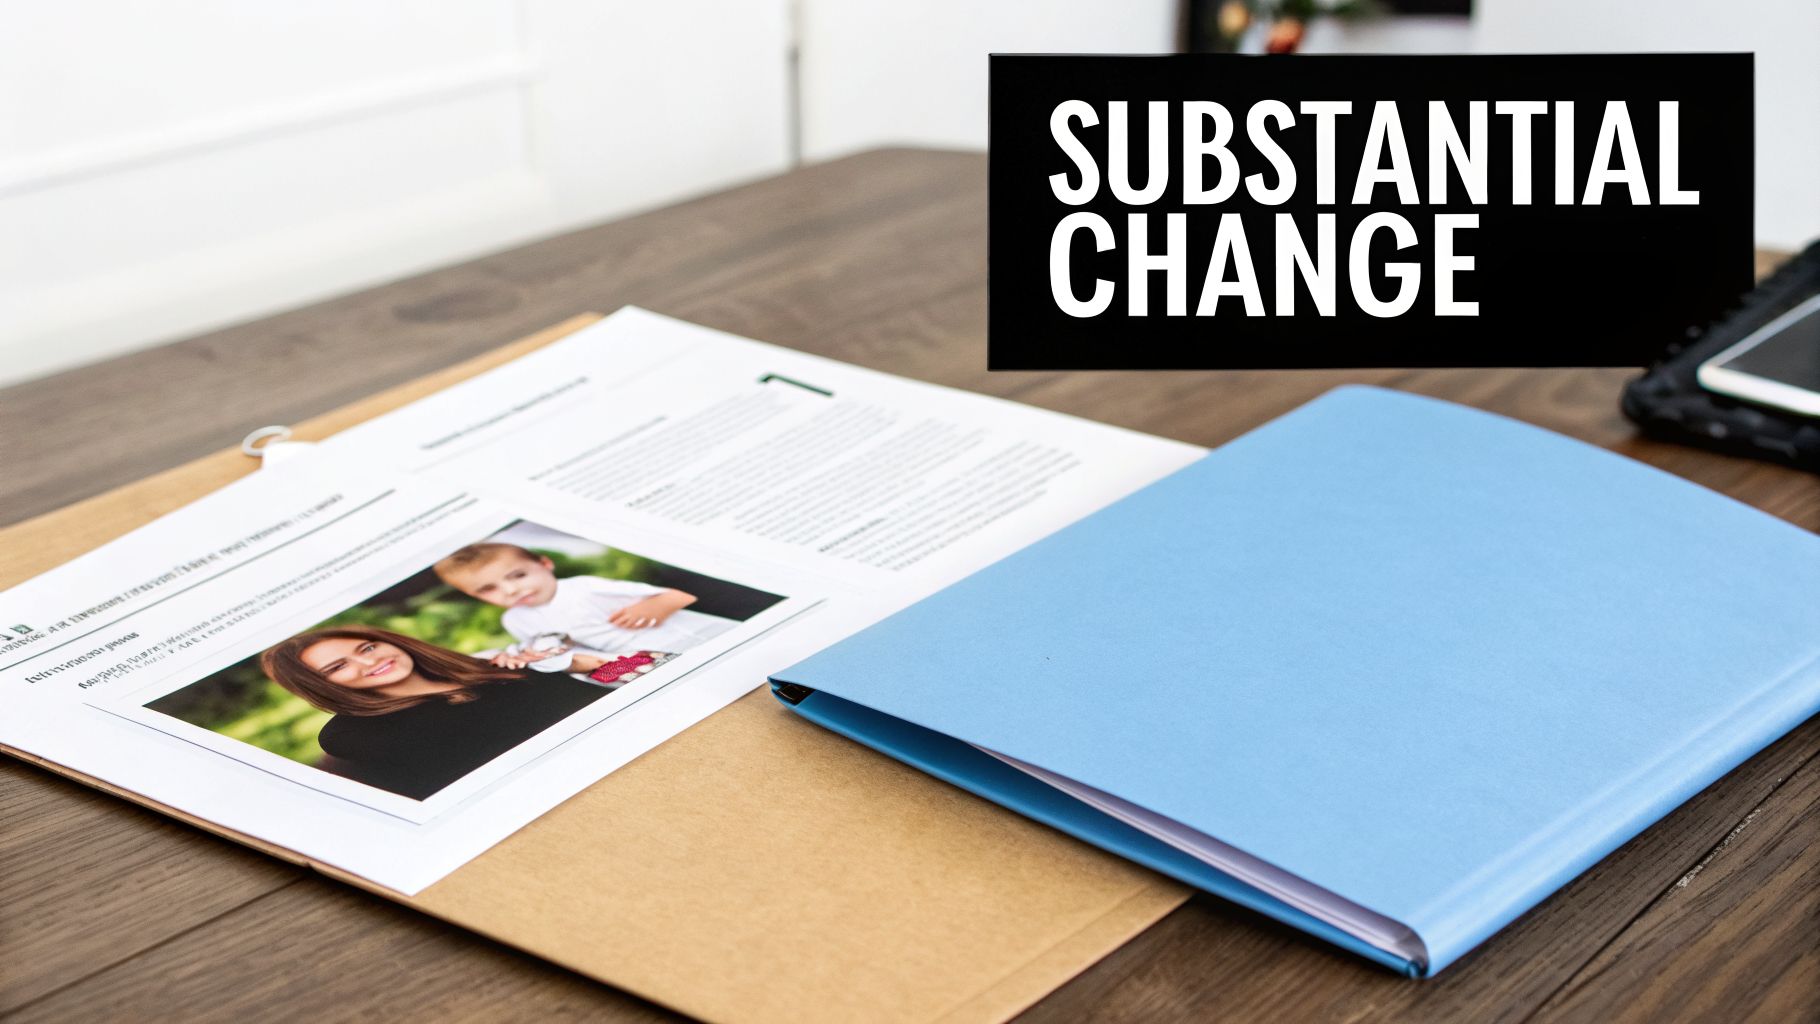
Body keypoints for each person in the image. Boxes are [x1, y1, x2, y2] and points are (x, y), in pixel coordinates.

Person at [261, 626, 608, 800]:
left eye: (367, 647)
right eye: (339, 666)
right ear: (320, 686)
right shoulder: (356, 735)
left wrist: (565, 664)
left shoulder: (492, 667)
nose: (371, 660)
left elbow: (606, 684)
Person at [432, 543, 737, 683]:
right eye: (489, 589)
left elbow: (680, 596)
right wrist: (526, 655)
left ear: (545, 564)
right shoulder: (514, 619)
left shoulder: (583, 588)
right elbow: (552, 649)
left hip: (694, 637)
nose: (510, 591)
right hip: (646, 657)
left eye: (518, 576)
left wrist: (654, 605)